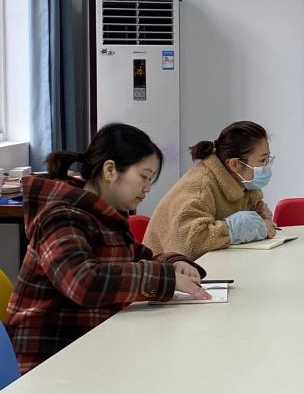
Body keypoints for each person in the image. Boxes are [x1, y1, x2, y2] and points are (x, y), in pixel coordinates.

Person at [5, 124, 209, 373]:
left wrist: (174, 263)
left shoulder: (106, 216)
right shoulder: (61, 217)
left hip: (92, 344)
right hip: (49, 359)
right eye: (144, 176)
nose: (147, 188)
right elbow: (83, 282)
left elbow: (139, 257)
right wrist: (163, 278)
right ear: (110, 170)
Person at [144, 120, 276, 259]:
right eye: (263, 160)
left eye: (268, 158)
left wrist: (261, 220)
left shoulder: (243, 183)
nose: (267, 166)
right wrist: (234, 230)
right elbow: (190, 242)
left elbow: (256, 213)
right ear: (235, 164)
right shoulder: (201, 186)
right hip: (164, 266)